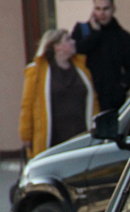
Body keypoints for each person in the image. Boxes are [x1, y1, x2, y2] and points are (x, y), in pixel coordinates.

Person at [19, 29, 99, 159]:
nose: (73, 42)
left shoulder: (82, 68)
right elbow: (27, 105)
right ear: (56, 46)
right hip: (53, 137)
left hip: (81, 134)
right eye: (68, 40)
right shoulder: (36, 71)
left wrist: (96, 127)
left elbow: (93, 100)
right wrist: (26, 135)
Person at [71, 0, 130, 111]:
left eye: (106, 9)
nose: (102, 13)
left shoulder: (123, 36)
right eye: (98, 9)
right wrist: (95, 33)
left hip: (113, 100)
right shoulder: (82, 31)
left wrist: (122, 86)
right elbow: (76, 53)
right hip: (86, 97)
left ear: (113, 9)